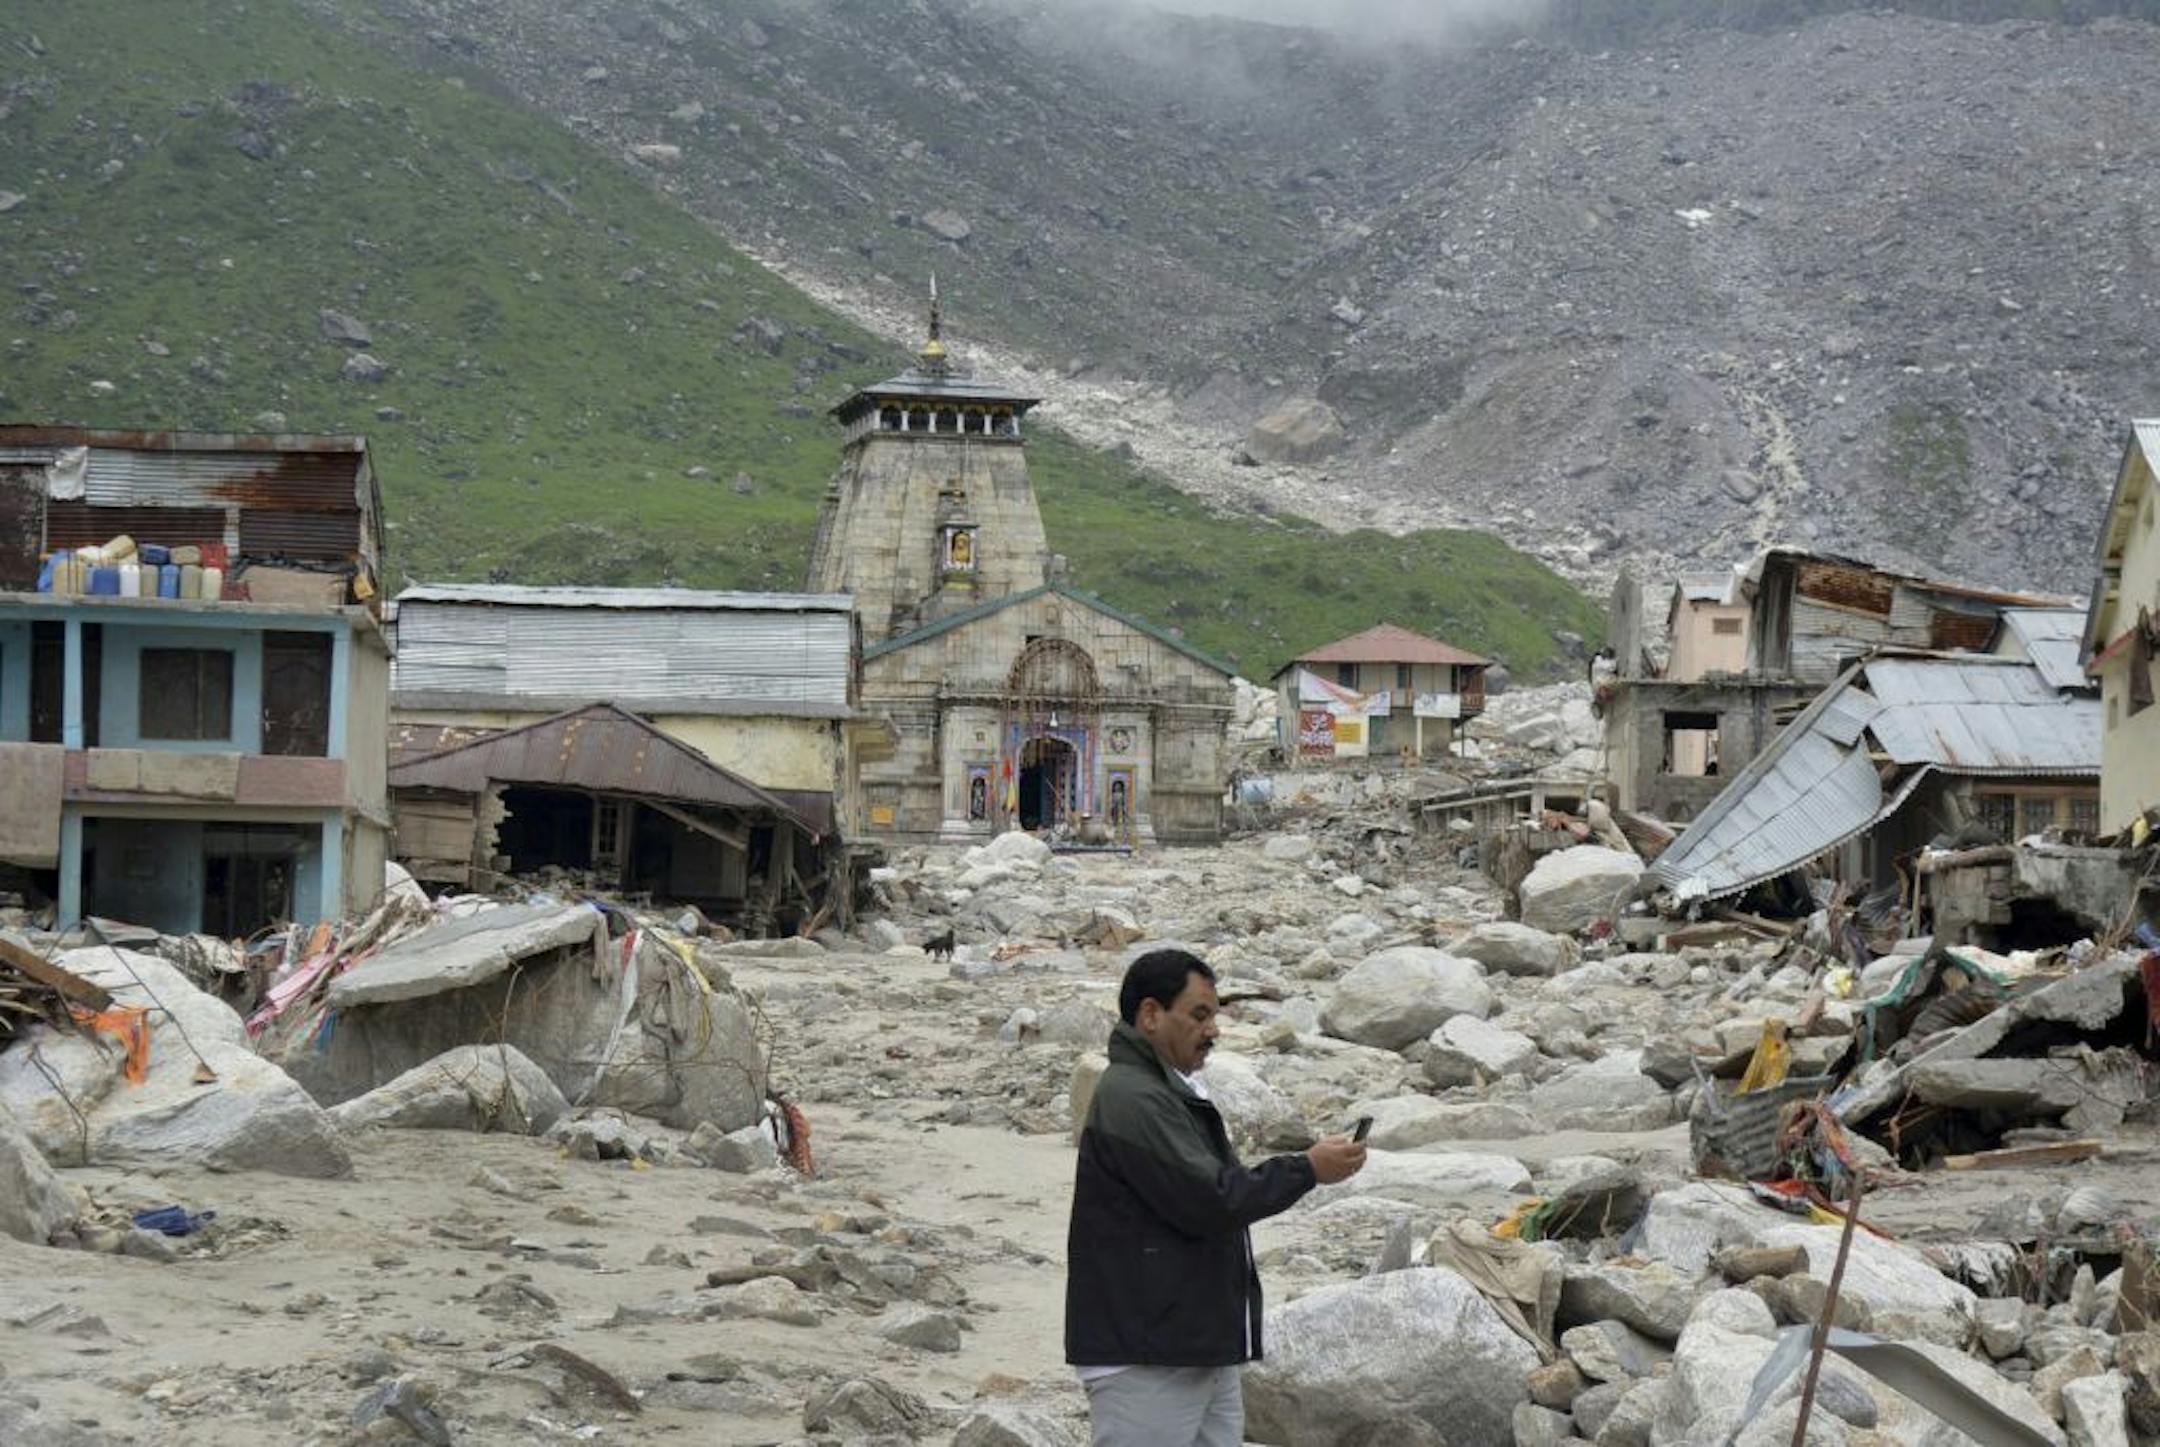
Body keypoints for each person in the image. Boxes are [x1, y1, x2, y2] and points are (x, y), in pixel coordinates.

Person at [1066, 948, 1367, 1447]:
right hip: (1148, 1354)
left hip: (1190, 1344)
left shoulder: (1170, 1090)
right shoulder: (1133, 1097)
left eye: (1215, 1015)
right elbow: (1213, 1200)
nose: (1213, 1030)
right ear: (1150, 1015)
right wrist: (1307, 1168)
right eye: (1199, 1015)